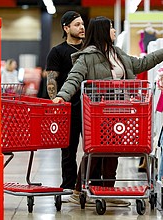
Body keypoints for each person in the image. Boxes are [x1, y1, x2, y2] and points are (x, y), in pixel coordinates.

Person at [53, 16, 163, 206]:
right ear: (103, 31)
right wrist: (62, 95)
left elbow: (141, 64)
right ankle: (78, 190)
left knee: (114, 151)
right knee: (96, 151)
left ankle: (108, 191)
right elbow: (74, 78)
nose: (114, 31)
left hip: (120, 111)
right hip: (98, 113)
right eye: (111, 28)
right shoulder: (87, 57)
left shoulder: (117, 53)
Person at [45, 11, 85, 191]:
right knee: (68, 151)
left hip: (90, 108)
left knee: (94, 150)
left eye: (83, 24)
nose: (82, 27)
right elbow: (51, 81)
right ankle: (68, 186)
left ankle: (88, 184)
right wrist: (56, 104)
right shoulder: (57, 51)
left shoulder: (89, 50)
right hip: (68, 108)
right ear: (66, 28)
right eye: (77, 24)